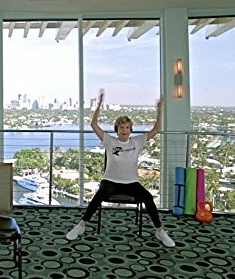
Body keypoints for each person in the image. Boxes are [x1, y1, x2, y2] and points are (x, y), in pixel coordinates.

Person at [65, 92, 175, 247]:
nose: (124, 130)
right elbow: (93, 125)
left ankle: (160, 230)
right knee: (99, 194)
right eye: (122, 127)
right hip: (110, 181)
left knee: (148, 198)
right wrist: (98, 105)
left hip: (131, 183)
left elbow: (156, 129)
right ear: (117, 129)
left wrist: (159, 110)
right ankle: (81, 225)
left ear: (131, 130)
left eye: (128, 127)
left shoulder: (137, 141)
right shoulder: (109, 141)